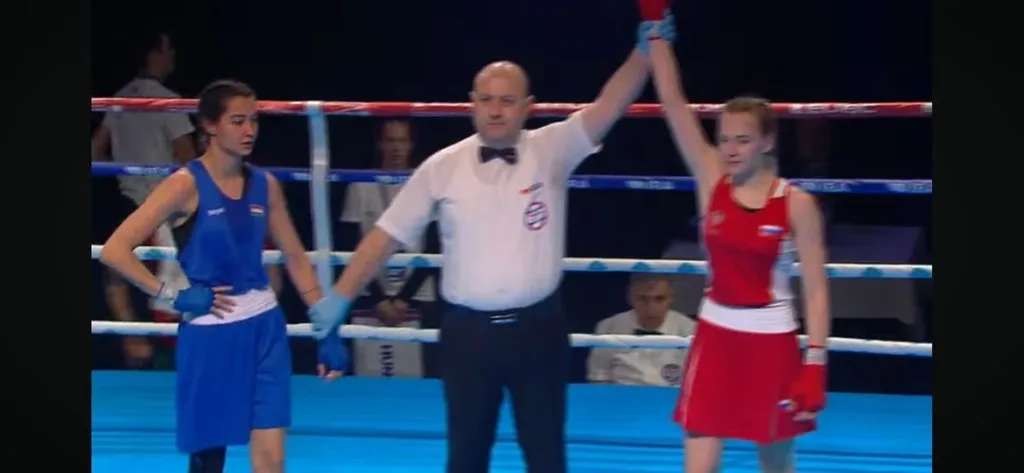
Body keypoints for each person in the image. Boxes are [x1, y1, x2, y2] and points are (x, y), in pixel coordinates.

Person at [307, 32, 667, 472]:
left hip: (538, 329)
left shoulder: (553, 147)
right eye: (487, 99)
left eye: (507, 101)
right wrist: (339, 300)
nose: (496, 110)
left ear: (528, 106)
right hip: (467, 335)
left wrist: (644, 51)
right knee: (466, 457)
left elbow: (610, 105)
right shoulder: (442, 166)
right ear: (472, 103)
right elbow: (384, 237)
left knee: (546, 456)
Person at [99, 79, 348, 473]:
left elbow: (295, 258)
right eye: (238, 121)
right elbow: (115, 250)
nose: (250, 130)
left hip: (265, 327)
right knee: (208, 462)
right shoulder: (184, 185)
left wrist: (326, 325)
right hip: (211, 332)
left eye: (254, 120)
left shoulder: (265, 185)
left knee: (272, 460)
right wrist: (171, 296)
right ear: (210, 125)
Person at [639, 4, 831, 473]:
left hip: (772, 341)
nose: (730, 149)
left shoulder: (797, 204)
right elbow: (673, 102)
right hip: (716, 336)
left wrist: (815, 362)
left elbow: (817, 289)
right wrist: (655, 28)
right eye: (724, 138)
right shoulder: (711, 177)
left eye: (742, 140)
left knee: (776, 465)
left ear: (767, 142)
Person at [91, 29, 198, 370]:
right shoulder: (167, 100)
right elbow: (189, 158)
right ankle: (167, 352)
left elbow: (95, 150)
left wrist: (124, 172)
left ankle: (133, 339)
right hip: (165, 205)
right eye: (168, 50)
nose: (173, 56)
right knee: (172, 276)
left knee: (118, 270)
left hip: (129, 200)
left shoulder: (119, 99)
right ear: (155, 54)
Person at [340, 119, 441, 378]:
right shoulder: (360, 185)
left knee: (416, 380)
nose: (397, 148)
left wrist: (403, 299)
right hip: (369, 292)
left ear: (411, 145)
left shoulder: (426, 186)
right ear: (380, 144)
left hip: (416, 293)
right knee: (370, 376)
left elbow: (434, 246)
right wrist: (380, 299)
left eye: (402, 141)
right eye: (391, 141)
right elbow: (350, 244)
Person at [587, 274, 696, 386]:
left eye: (659, 299)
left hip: (674, 396)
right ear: (630, 298)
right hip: (622, 395)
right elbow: (599, 378)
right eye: (642, 298)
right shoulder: (608, 327)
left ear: (671, 298)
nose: (651, 308)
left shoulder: (691, 330)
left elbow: (698, 381)